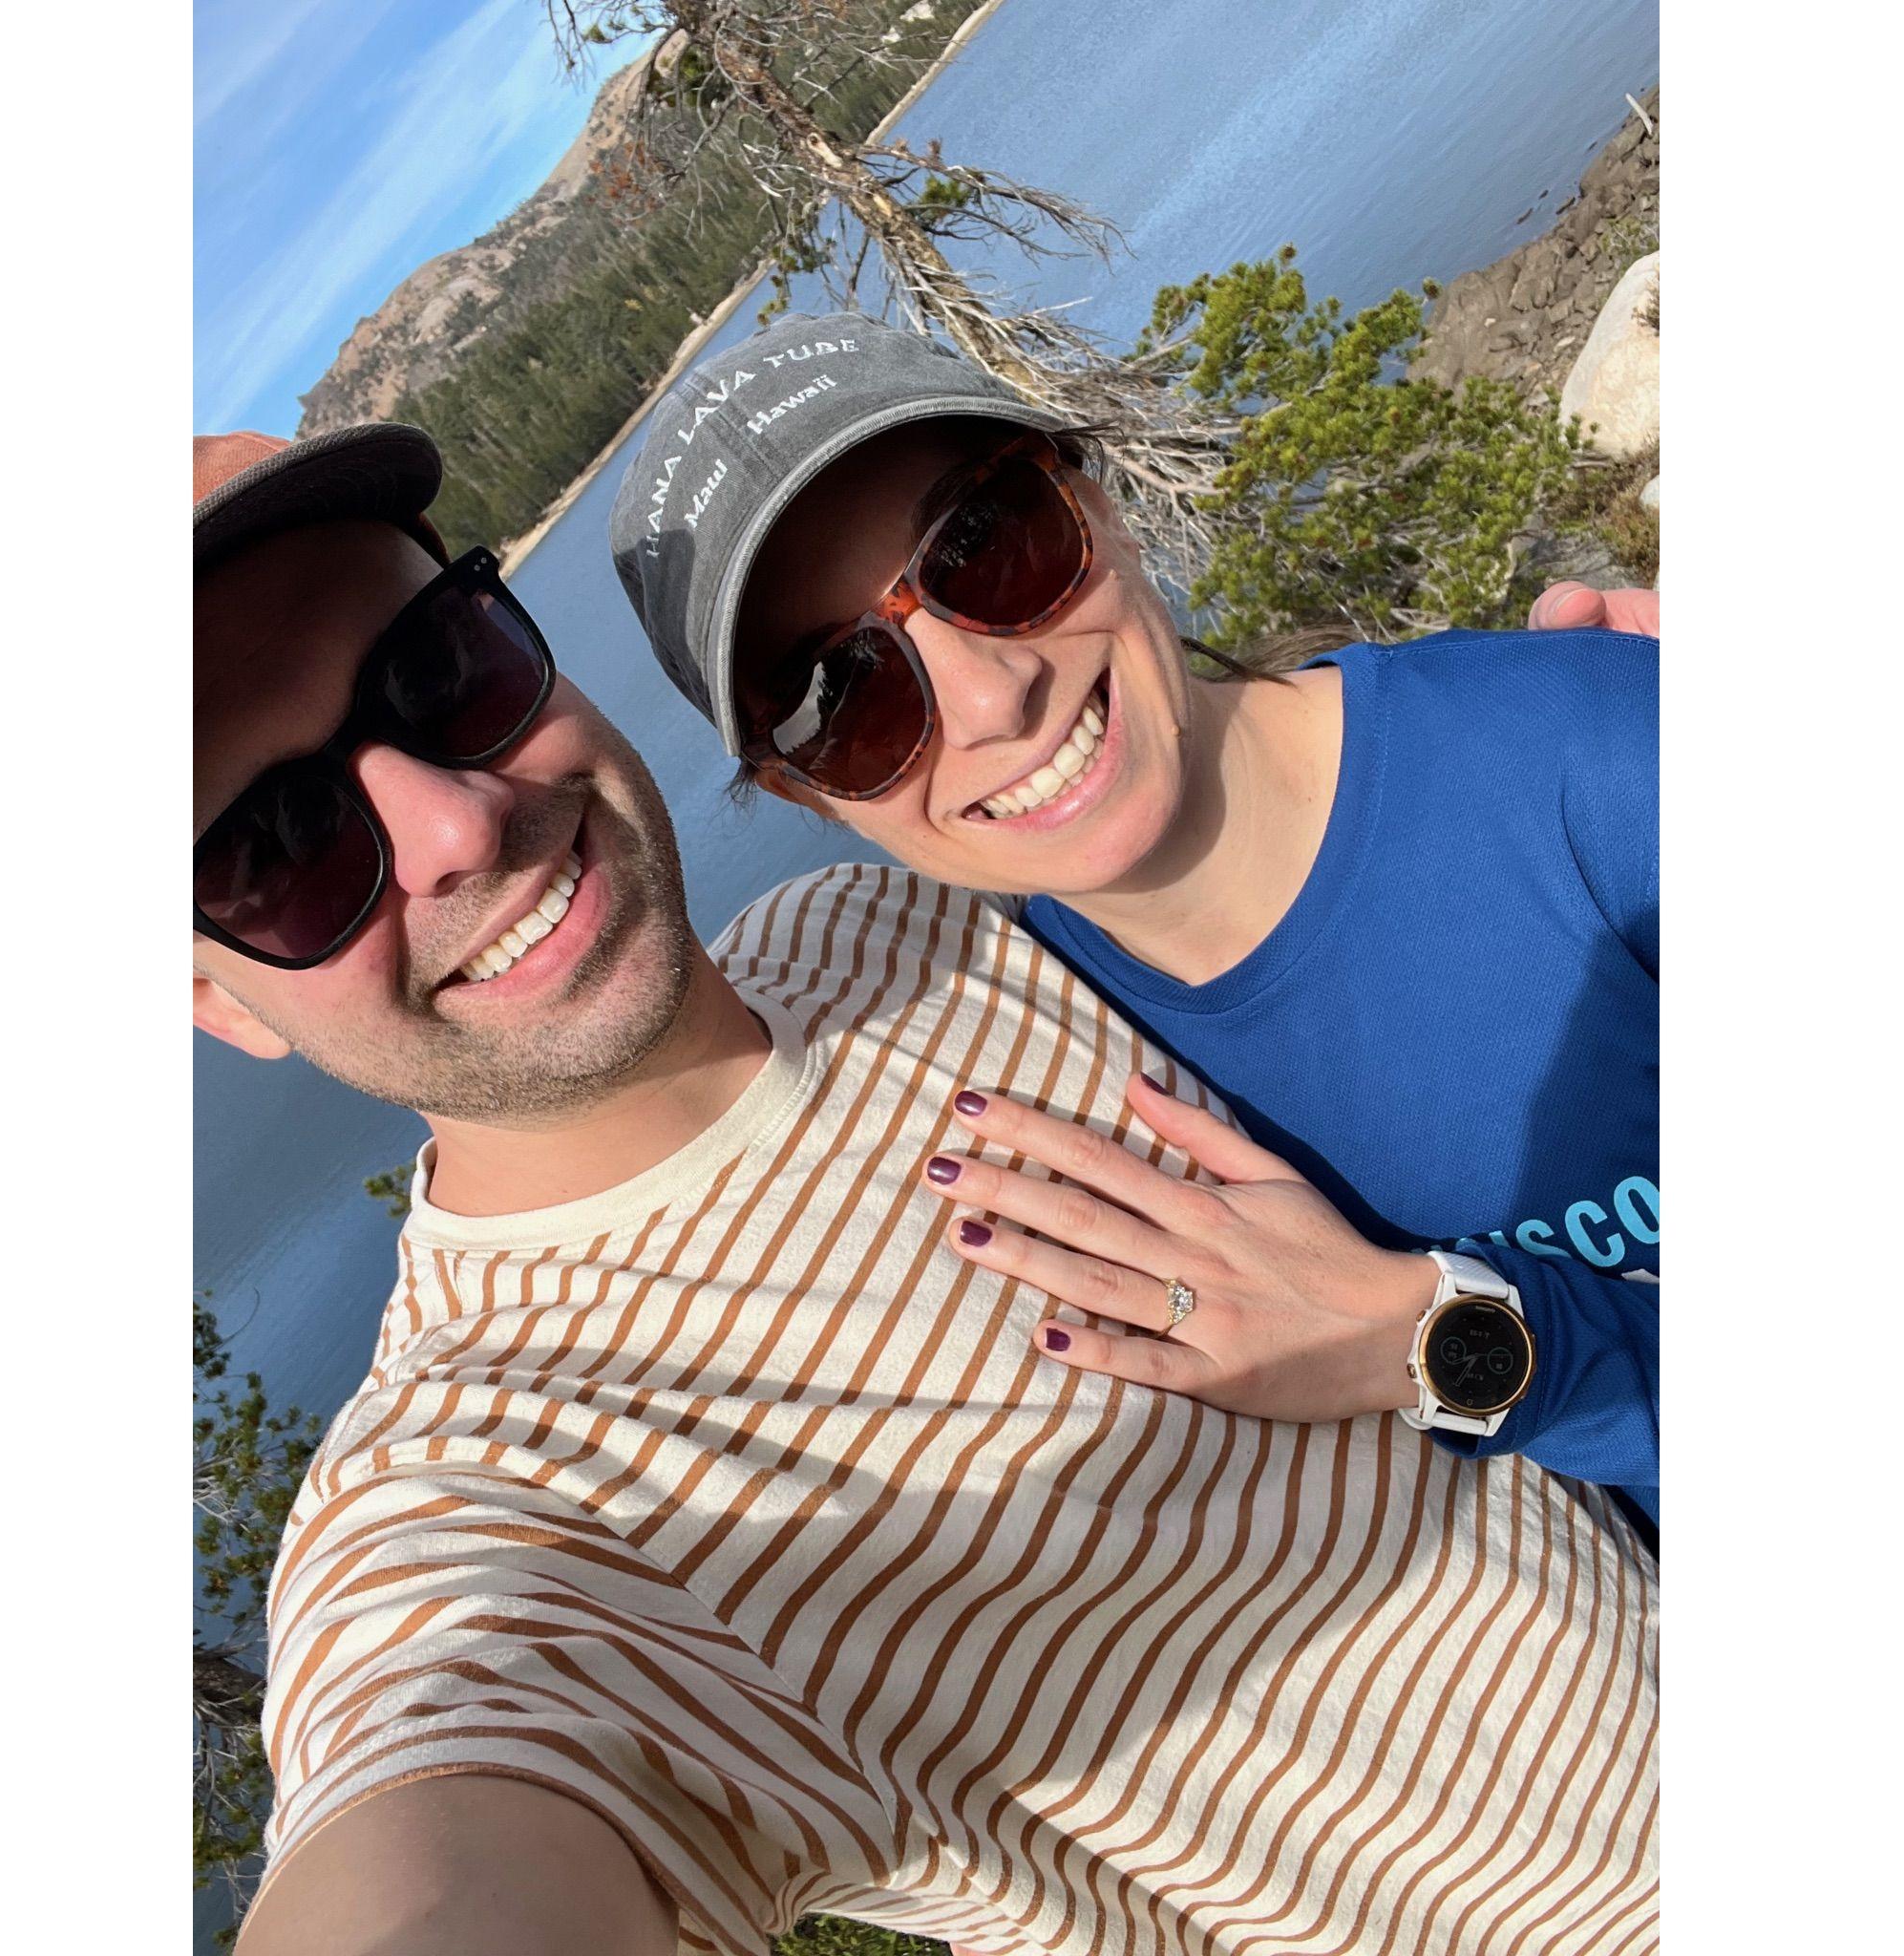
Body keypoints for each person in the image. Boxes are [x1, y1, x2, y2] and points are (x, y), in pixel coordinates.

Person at [197, 424, 1658, 1956]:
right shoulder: (498, 1482)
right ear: (215, 996)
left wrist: (1556, 726)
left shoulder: (872, 926)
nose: (456, 826)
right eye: (275, 851)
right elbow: (433, 1816)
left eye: (441, 673)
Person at [611, 311, 1661, 1544]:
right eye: (842, 695)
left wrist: (1446, 1340)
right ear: (809, 795)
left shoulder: (1586, 757)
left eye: (986, 548)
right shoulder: (1040, 1061)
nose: (993, 699)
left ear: (1095, 500)